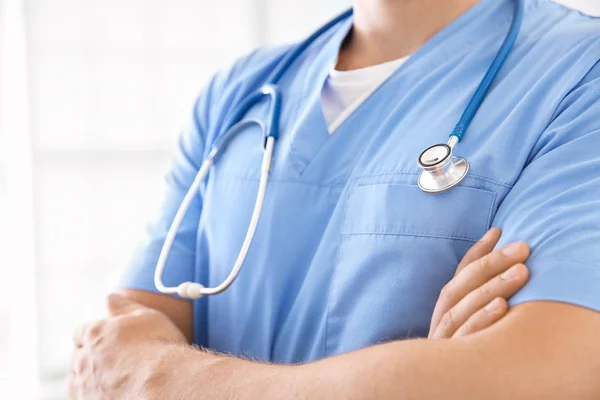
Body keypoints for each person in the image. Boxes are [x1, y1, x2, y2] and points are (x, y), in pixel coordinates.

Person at [68, 0, 600, 398]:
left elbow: (547, 375)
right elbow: (111, 360)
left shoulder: (578, 72)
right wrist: (426, 375)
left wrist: (164, 377)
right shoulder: (238, 92)